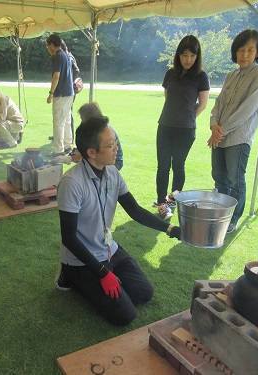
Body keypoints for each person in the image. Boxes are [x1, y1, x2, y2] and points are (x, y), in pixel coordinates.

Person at [56, 116, 181, 325]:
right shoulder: (72, 183)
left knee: (144, 293)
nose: (117, 148)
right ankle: (69, 276)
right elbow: (69, 238)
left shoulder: (112, 172)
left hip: (108, 248)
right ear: (92, 153)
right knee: (125, 316)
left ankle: (101, 279)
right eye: (111, 145)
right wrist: (102, 273)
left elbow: (135, 211)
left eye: (116, 141)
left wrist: (170, 228)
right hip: (81, 259)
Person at [208, 29, 258, 233]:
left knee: (235, 180)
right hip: (220, 135)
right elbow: (218, 103)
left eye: (250, 50)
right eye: (241, 50)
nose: (245, 55)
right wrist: (213, 124)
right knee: (218, 176)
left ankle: (233, 219)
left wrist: (221, 130)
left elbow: (247, 110)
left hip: (238, 138)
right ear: (235, 52)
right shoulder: (231, 75)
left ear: (257, 52)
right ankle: (221, 213)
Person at [155, 35, 210, 220]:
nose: (188, 59)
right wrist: (175, 115)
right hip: (165, 126)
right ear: (178, 55)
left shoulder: (201, 77)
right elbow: (168, 97)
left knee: (178, 165)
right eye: (184, 55)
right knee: (163, 166)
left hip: (186, 130)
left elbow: (202, 105)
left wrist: (186, 117)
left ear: (197, 57)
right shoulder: (170, 74)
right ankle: (161, 203)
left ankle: (172, 200)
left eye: (192, 55)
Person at [51, 102, 124, 170]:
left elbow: (92, 153)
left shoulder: (101, 131)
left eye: (82, 119)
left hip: (114, 162)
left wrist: (69, 159)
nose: (82, 122)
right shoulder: (97, 128)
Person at [46, 34, 74, 157]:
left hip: (61, 94)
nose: (47, 48)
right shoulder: (66, 55)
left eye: (48, 46)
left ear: (52, 45)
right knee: (66, 120)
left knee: (58, 122)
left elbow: (56, 76)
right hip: (69, 93)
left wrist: (51, 94)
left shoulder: (58, 57)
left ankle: (58, 150)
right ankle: (68, 145)